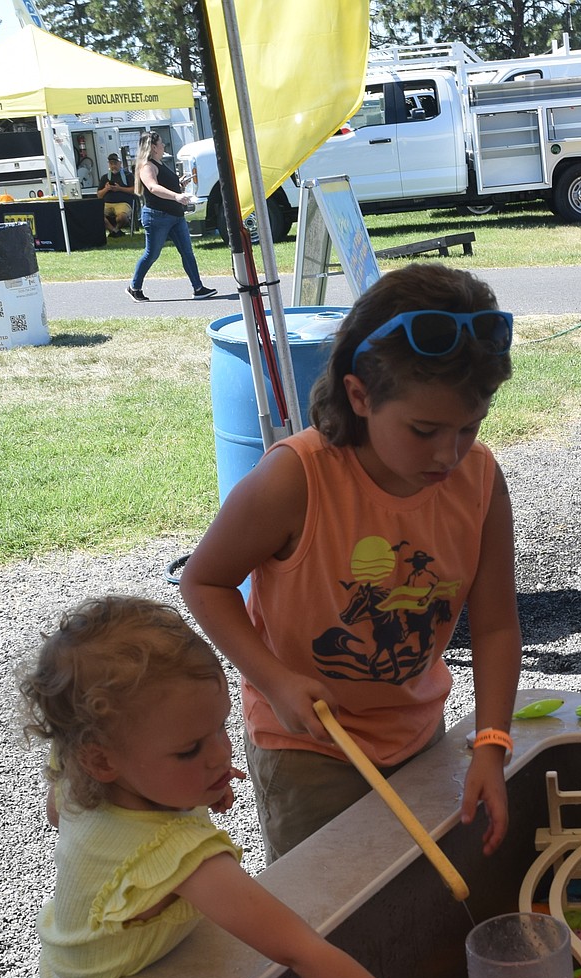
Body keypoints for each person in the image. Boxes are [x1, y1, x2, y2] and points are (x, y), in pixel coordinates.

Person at [18, 596, 478, 978]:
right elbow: (302, 951)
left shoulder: (81, 772)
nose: (221, 753)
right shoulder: (178, 857)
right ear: (101, 761)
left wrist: (190, 785)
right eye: (190, 749)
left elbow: (59, 812)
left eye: (218, 727)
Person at [180, 263, 522, 863]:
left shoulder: (481, 480)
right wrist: (275, 679)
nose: (449, 453)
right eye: (424, 429)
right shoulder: (296, 478)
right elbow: (204, 581)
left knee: (413, 886)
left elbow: (495, 626)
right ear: (359, 394)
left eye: (470, 427)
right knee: (330, 909)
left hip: (416, 733)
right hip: (307, 747)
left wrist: (491, 742)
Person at [127, 131, 217, 302]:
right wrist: (176, 196)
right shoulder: (147, 166)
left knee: (187, 252)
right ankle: (134, 287)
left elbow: (164, 185)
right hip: (157, 217)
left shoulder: (159, 163)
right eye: (161, 143)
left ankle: (198, 288)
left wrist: (179, 184)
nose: (163, 146)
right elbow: (153, 187)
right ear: (153, 147)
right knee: (151, 254)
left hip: (175, 216)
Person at [96, 153, 137, 237]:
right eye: (111, 163)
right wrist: (106, 189)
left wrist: (119, 188)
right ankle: (114, 231)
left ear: (120, 163)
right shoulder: (105, 177)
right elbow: (99, 195)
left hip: (123, 203)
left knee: (121, 217)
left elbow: (135, 190)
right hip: (107, 204)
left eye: (115, 163)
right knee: (97, 215)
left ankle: (116, 230)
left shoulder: (128, 176)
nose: (113, 166)